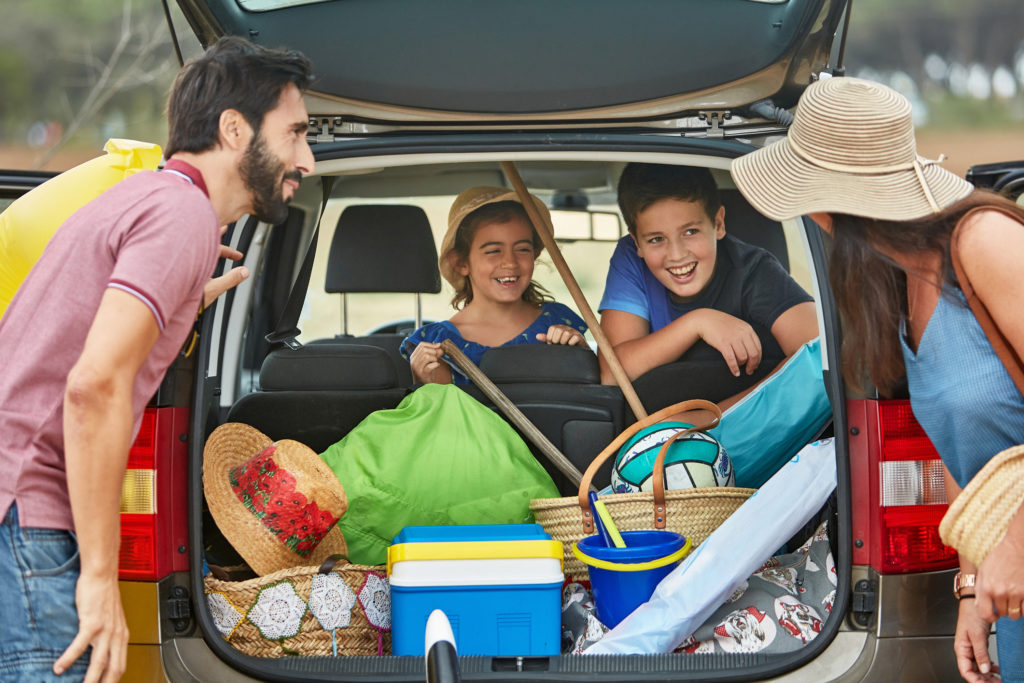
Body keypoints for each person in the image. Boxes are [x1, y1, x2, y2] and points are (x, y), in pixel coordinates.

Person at [0, 36, 315, 682]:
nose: (306, 158)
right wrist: (97, 577)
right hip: (31, 523)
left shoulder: (148, 200)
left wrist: (184, 298)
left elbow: (83, 334)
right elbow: (93, 387)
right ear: (235, 129)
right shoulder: (181, 217)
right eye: (296, 133)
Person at [730, 75, 1024, 683]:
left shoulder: (986, 242)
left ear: (826, 203)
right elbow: (964, 459)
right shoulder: (893, 286)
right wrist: (970, 589)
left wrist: (1016, 547)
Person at [598, 162, 818, 389]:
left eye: (690, 232)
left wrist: (714, 416)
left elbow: (820, 357)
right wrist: (698, 322)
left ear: (718, 223)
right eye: (656, 239)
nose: (676, 254)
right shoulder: (632, 260)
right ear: (637, 243)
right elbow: (612, 375)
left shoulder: (752, 270)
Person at [401, 186, 588, 385]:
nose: (510, 262)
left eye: (523, 249)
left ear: (535, 254)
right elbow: (439, 411)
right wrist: (423, 380)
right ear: (461, 263)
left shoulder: (557, 322)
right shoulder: (437, 344)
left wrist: (580, 353)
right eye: (493, 251)